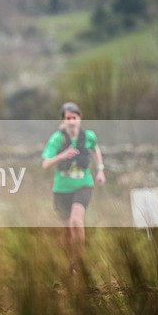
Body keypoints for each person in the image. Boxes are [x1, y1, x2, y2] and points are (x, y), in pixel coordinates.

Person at [41, 102, 106, 275]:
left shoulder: (88, 136)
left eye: (74, 118)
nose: (71, 121)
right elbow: (45, 163)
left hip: (84, 185)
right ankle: (70, 263)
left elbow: (95, 149)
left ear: (80, 118)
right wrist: (63, 155)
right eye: (68, 118)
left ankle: (80, 260)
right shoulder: (58, 139)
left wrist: (100, 170)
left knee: (76, 220)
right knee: (67, 230)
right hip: (61, 189)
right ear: (63, 120)